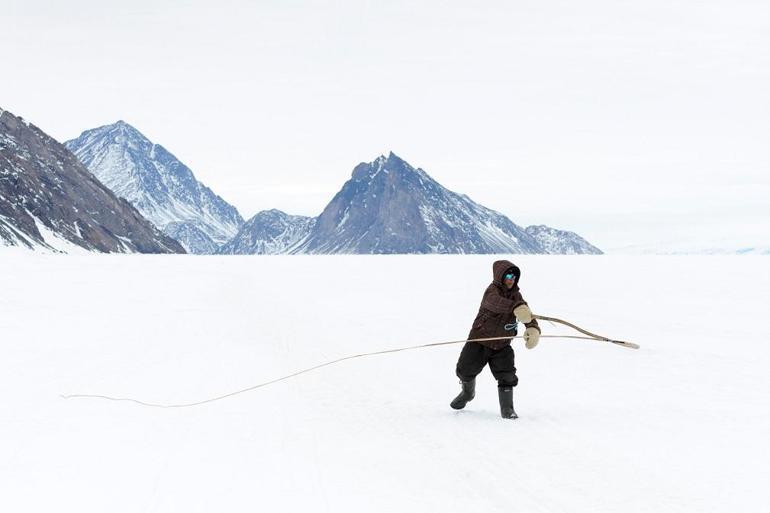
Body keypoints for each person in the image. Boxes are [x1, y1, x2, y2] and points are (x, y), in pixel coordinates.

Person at [450, 259, 541, 418]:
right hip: (479, 342)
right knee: (465, 370)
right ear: (500, 277)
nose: (511, 280)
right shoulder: (491, 291)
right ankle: (467, 393)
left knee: (507, 375)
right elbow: (495, 304)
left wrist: (533, 328)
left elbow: (526, 312)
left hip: (502, 344)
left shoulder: (516, 296)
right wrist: (515, 308)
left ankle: (507, 409)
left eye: (514, 277)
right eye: (508, 276)